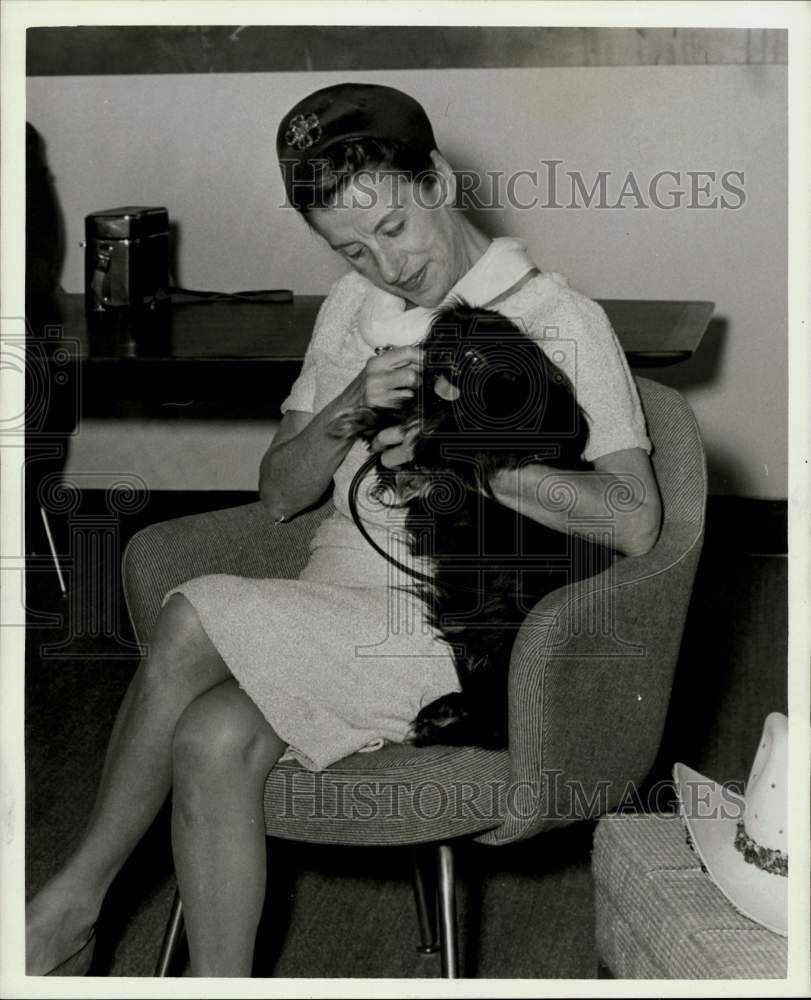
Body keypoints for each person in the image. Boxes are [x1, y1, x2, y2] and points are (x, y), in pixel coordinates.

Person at [25, 83, 661, 978]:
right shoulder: (348, 309)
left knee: (193, 613)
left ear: (436, 181)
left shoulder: (561, 322)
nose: (386, 267)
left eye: (394, 228)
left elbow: (633, 524)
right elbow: (280, 494)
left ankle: (71, 903)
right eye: (351, 249)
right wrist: (348, 403)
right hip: (328, 610)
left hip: (448, 631)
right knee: (210, 737)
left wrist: (472, 454)